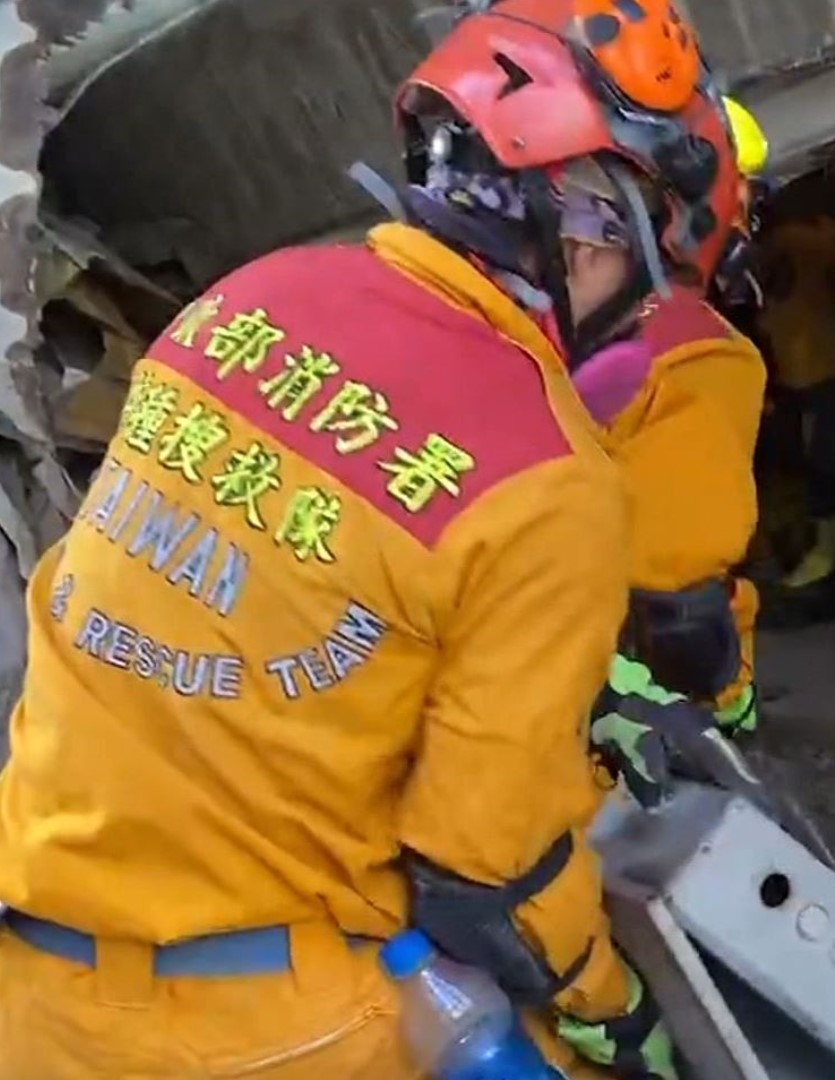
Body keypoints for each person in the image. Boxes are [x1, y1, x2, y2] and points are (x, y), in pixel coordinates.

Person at [0, 0, 733, 1074]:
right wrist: (612, 1007)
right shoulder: (545, 476)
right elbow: (486, 873)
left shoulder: (239, 306)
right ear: (592, 231)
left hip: (32, 983)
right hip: (266, 1031)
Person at [569, 90, 771, 742]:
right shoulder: (698, 354)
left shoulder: (551, 328)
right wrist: (718, 708)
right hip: (624, 704)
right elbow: (680, 601)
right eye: (740, 198)